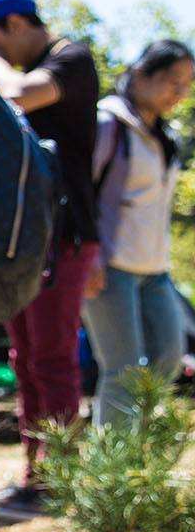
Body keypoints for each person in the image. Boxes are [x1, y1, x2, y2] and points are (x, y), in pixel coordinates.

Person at [0, 0, 101, 517]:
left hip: (65, 235)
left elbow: (20, 93)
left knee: (53, 357)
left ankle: (60, 480)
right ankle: (35, 475)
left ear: (17, 23)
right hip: (22, 238)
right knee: (24, 358)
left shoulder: (71, 59)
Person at [80, 39, 193, 424]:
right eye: (173, 81)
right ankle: (111, 475)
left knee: (168, 359)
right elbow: (80, 194)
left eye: (187, 84)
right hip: (110, 267)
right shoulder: (107, 124)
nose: (180, 93)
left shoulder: (166, 137)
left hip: (155, 270)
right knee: (122, 370)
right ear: (141, 73)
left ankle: (137, 454)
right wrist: (88, 254)